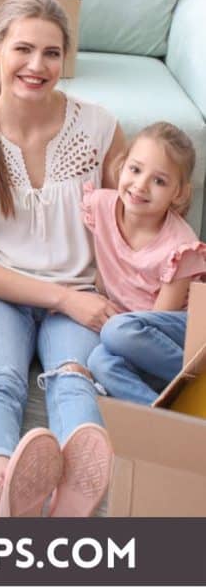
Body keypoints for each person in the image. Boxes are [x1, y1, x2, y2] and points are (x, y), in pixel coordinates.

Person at [0, 0, 126, 518]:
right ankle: (3, 484)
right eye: (23, 49)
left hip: (82, 292)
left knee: (74, 378)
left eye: (51, 53)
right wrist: (64, 301)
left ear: (64, 60)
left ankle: (75, 493)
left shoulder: (100, 126)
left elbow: (136, 221)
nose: (37, 65)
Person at [86, 122, 206, 405]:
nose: (140, 185)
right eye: (135, 169)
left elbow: (160, 316)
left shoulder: (180, 245)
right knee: (99, 361)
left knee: (116, 332)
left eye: (159, 181)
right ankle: (164, 417)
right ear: (122, 165)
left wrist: (119, 327)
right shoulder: (101, 206)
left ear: (178, 193)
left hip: (179, 330)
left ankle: (198, 382)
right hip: (137, 337)